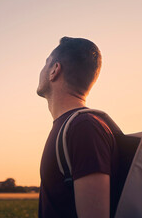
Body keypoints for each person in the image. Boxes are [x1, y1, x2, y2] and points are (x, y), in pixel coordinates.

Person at [37, 37, 118, 218]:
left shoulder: (84, 128)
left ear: (55, 70)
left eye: (46, 64)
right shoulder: (72, 127)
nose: (40, 71)